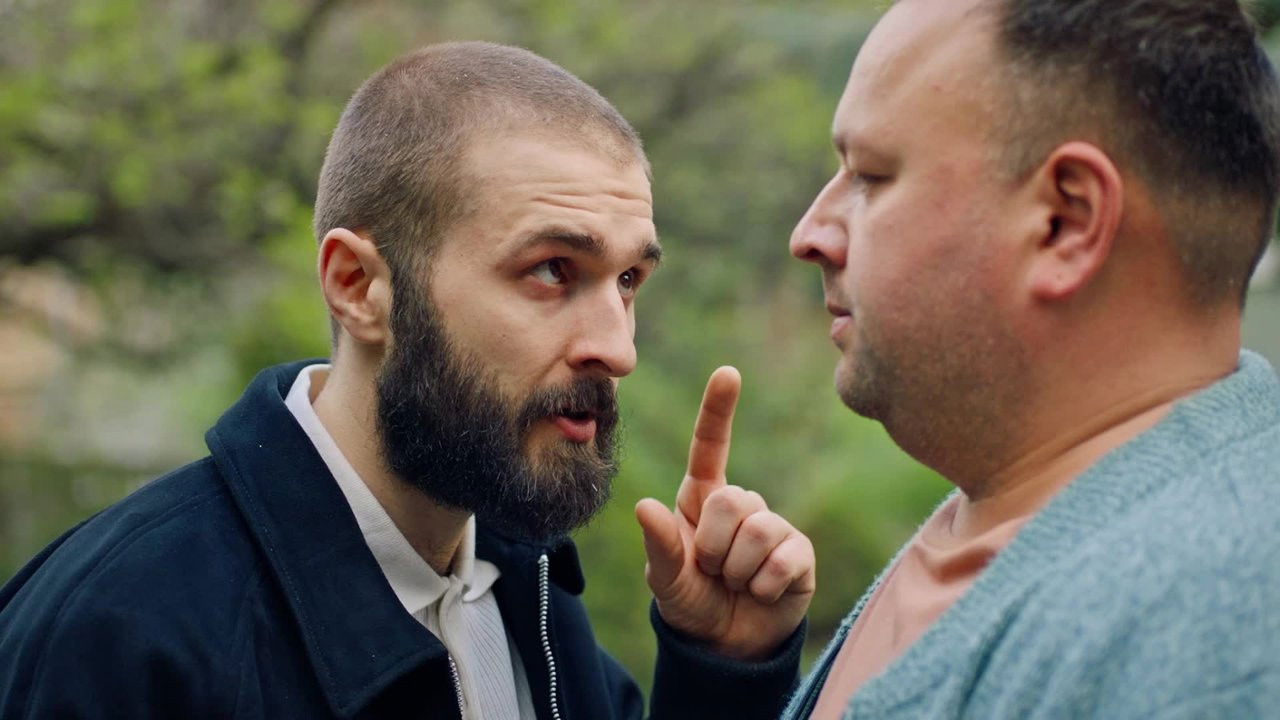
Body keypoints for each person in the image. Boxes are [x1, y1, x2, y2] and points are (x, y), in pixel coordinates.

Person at [0, 42, 815, 719]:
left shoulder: (533, 603)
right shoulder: (119, 638)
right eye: (552, 269)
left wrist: (722, 670)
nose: (617, 348)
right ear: (358, 286)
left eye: (629, 280)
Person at [783, 0, 1280, 717]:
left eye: (871, 175)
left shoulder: (1210, 640)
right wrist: (729, 673)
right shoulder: (1028, 505)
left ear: (1064, 222)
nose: (810, 234)